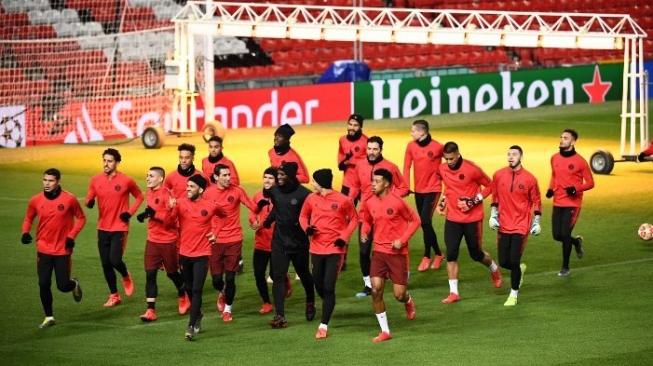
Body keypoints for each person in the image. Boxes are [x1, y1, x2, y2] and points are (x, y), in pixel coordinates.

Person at [435, 141, 502, 304]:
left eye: (451, 158)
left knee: (476, 254)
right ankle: (454, 292)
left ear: (458, 154)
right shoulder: (442, 168)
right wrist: (443, 201)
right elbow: (448, 187)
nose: (448, 162)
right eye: (446, 159)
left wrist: (473, 200)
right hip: (453, 218)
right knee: (451, 253)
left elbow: (491, 185)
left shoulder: (472, 169)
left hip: (472, 219)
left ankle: (494, 269)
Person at [360, 169, 420, 343]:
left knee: (398, 295)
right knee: (376, 289)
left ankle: (407, 300)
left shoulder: (397, 202)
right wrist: (365, 231)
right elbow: (367, 219)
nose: (373, 184)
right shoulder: (369, 201)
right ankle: (385, 331)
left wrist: (402, 240)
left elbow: (415, 220)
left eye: (377, 181)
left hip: (397, 254)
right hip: (379, 252)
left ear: (386, 183)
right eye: (373, 180)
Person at [21, 168, 85, 328]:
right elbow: (28, 218)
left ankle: (74, 284)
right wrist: (25, 232)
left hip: (62, 249)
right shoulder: (35, 200)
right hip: (43, 249)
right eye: (45, 180)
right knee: (43, 283)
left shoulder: (69, 199)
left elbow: (81, 218)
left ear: (58, 182)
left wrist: (71, 236)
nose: (47, 183)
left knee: (62, 286)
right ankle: (49, 316)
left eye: (50, 181)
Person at [299, 169, 358, 339]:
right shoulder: (311, 199)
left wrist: (344, 237)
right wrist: (307, 229)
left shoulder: (343, 200)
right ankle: (328, 303)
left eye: (314, 181)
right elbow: (303, 217)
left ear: (320, 183)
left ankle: (323, 325)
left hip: (335, 249)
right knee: (319, 284)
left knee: (329, 286)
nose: (312, 184)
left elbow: (354, 219)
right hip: (316, 248)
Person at [349, 135, 409, 298]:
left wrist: (390, 196)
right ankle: (369, 284)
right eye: (369, 148)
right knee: (363, 251)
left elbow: (404, 187)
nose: (371, 152)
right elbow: (354, 187)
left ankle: (398, 277)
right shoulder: (359, 165)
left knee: (391, 248)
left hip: (387, 217)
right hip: (366, 215)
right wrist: (348, 203)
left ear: (381, 149)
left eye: (375, 149)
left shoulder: (390, 167)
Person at [170, 175, 226, 341]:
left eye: (191, 186)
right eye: (187, 186)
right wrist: (172, 208)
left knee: (196, 290)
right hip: (185, 253)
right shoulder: (179, 202)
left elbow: (224, 216)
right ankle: (198, 313)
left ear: (200, 190)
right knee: (188, 287)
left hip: (202, 254)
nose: (188, 189)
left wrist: (215, 233)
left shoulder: (211, 205)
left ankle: (191, 325)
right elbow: (170, 222)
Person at [86, 148, 143, 307]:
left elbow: (139, 196)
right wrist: (89, 202)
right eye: (104, 160)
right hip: (102, 227)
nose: (106, 164)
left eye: (109, 161)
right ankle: (114, 295)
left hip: (119, 227)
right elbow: (89, 196)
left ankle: (125, 275)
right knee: (105, 263)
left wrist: (129, 212)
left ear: (117, 163)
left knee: (115, 260)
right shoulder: (95, 180)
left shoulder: (126, 180)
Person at [263, 162, 316, 328]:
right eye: (278, 175)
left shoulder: (304, 194)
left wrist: (310, 229)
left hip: (298, 243)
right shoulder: (275, 191)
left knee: (304, 274)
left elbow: (310, 215)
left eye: (282, 175)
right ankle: (280, 315)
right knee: (278, 276)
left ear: (291, 176)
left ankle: (310, 301)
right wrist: (267, 221)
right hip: (279, 242)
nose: (278, 178)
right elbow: (277, 208)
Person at [204, 164, 258, 322]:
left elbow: (252, 206)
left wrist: (256, 216)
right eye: (224, 175)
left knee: (230, 277)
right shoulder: (208, 194)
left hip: (234, 239)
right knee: (216, 279)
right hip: (214, 240)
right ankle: (222, 291)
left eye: (229, 175)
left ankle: (228, 309)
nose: (228, 178)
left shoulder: (237, 190)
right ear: (216, 177)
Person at [489, 146, 542, 306]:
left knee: (513, 259)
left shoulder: (530, 179)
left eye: (514, 154)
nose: (511, 157)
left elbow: (537, 201)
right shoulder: (498, 175)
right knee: (504, 261)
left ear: (521, 157)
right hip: (504, 224)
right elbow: (495, 196)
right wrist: (492, 214)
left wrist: (537, 222)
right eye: (509, 154)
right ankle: (519, 268)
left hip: (521, 225)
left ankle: (513, 294)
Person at [135, 167, 190, 322]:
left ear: (160, 179)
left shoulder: (167, 195)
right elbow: (153, 210)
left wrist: (154, 215)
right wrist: (145, 214)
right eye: (147, 175)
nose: (147, 178)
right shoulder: (149, 193)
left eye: (151, 176)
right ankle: (150, 310)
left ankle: (183, 294)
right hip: (152, 240)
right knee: (150, 273)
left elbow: (171, 221)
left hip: (168, 241)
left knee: (172, 273)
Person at [546, 129, 594, 276]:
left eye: (565, 138)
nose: (561, 140)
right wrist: (550, 188)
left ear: (572, 142)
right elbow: (554, 175)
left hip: (573, 204)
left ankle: (565, 267)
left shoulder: (580, 161)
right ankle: (576, 242)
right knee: (557, 235)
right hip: (558, 201)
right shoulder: (554, 158)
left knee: (565, 233)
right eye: (561, 137)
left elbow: (591, 183)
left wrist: (576, 189)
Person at [249, 167, 293, 315]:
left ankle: (284, 279)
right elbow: (252, 213)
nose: (267, 181)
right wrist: (254, 221)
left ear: (276, 181)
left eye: (270, 178)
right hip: (261, 243)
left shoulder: (281, 196)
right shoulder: (257, 195)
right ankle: (267, 302)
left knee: (275, 276)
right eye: (265, 177)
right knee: (258, 273)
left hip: (277, 244)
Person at [403, 119, 445, 272]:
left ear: (422, 132)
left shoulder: (438, 147)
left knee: (425, 221)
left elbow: (451, 162)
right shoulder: (410, 146)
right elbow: (406, 167)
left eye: (413, 130)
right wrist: (406, 186)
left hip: (433, 189)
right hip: (418, 190)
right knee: (424, 223)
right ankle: (433, 255)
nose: (411, 133)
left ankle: (432, 254)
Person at [337, 113, 368, 200]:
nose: (352, 128)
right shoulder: (342, 140)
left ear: (360, 127)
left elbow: (372, 163)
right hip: (347, 183)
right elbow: (340, 159)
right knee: (344, 211)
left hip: (363, 184)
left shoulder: (367, 142)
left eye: (355, 125)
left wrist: (352, 161)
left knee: (369, 211)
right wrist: (342, 163)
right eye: (350, 124)